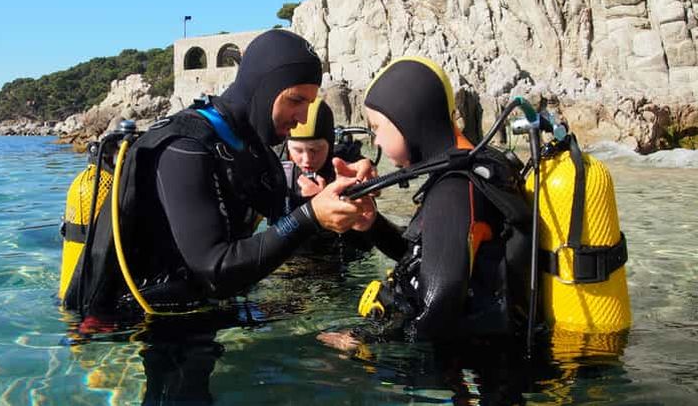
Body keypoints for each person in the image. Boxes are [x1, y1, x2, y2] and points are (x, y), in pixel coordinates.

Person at [62, 30, 375, 317]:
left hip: (201, 311)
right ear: (262, 87)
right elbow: (215, 269)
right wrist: (310, 216)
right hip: (139, 324)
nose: (302, 116)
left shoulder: (253, 149)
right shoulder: (184, 148)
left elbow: (287, 220)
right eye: (295, 100)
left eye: (308, 102)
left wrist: (347, 193)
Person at [320, 56, 531, 346]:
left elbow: (438, 303)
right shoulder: (473, 169)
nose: (376, 141)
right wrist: (373, 225)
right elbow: (430, 257)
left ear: (407, 116)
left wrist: (364, 340)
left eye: (378, 127)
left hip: (481, 370)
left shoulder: (455, 188)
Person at [280, 98, 375, 263]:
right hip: (295, 259)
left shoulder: (344, 164)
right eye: (298, 150)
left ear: (330, 146)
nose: (306, 160)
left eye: (315, 150)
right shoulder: (277, 168)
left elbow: (365, 239)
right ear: (288, 149)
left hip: (339, 259)